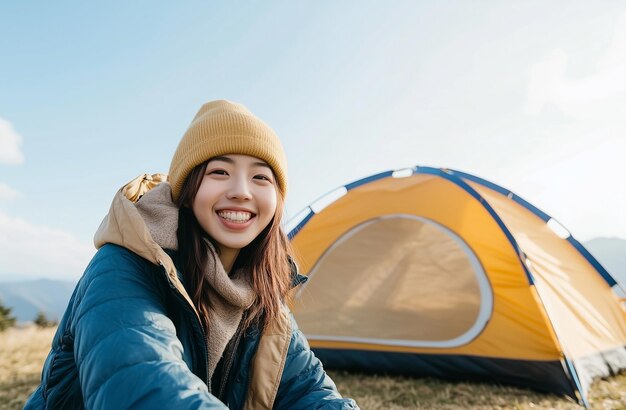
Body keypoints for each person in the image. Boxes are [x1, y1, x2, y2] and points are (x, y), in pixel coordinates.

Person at [24, 100, 359, 409]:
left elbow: (309, 391)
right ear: (186, 191)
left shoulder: (265, 301)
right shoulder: (124, 266)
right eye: (219, 172)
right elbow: (145, 386)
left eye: (260, 177)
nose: (241, 192)